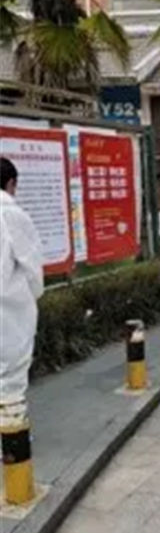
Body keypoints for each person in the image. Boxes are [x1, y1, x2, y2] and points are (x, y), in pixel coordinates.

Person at [0, 157, 44, 408]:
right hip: (9, 313)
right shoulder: (12, 215)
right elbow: (32, 266)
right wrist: (32, 298)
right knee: (10, 387)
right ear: (11, 183)